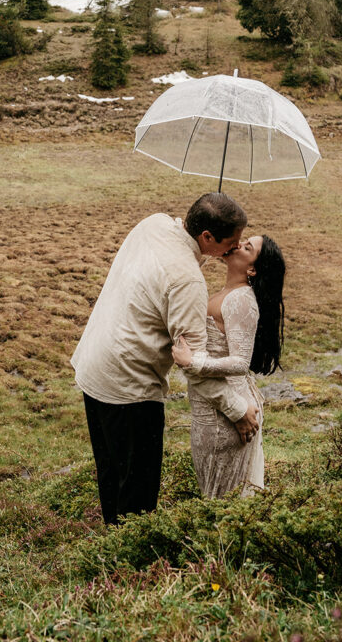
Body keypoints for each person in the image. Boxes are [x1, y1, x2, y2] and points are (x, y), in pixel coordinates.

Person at [71, 192, 260, 525]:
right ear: (207, 237)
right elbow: (194, 365)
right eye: (231, 241)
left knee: (112, 473)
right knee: (138, 492)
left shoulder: (153, 223)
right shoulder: (188, 280)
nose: (235, 247)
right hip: (129, 386)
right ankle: (133, 566)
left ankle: (110, 556)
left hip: (93, 363)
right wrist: (236, 409)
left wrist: (202, 256)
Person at [172, 234, 285, 498]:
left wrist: (194, 362)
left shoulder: (241, 299)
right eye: (244, 239)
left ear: (252, 269)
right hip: (214, 405)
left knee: (222, 498)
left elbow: (240, 362)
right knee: (217, 493)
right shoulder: (229, 293)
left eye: (247, 248)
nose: (237, 244)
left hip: (227, 414)